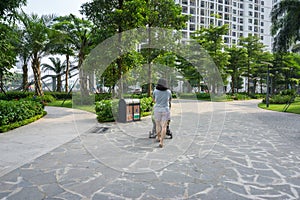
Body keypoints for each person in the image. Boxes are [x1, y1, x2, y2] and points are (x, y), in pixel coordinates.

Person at [152, 78, 172, 148]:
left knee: (157, 125)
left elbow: (153, 100)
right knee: (164, 126)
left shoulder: (155, 91)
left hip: (157, 109)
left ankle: (158, 137)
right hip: (165, 110)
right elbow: (169, 100)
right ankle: (161, 142)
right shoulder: (168, 92)